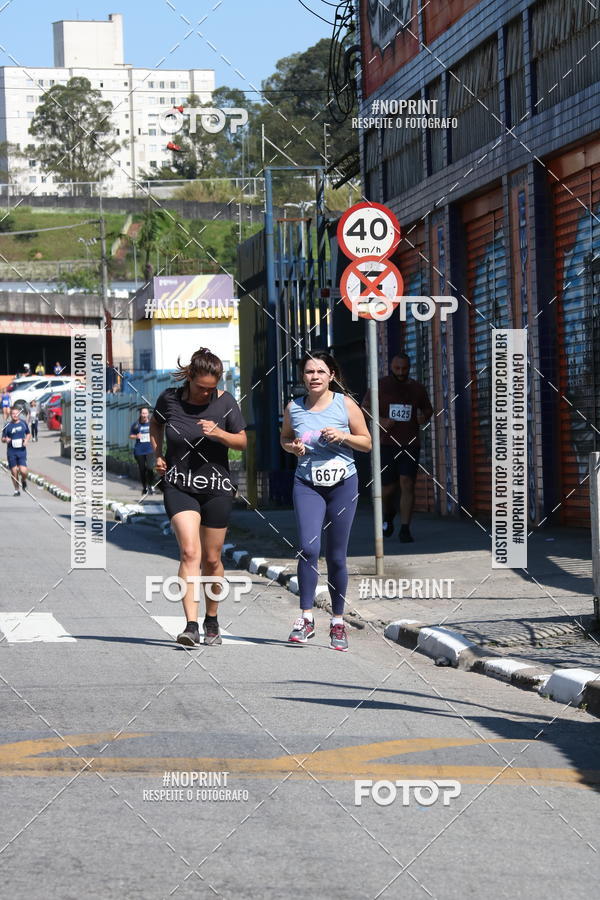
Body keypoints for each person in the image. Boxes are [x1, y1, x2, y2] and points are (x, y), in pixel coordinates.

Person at [150, 348, 247, 647]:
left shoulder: (226, 402)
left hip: (216, 488)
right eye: (201, 387)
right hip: (179, 486)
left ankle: (212, 618)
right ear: (189, 377)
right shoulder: (169, 399)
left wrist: (219, 434)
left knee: (212, 558)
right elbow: (156, 424)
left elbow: (242, 442)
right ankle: (191, 625)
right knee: (190, 552)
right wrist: (157, 454)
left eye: (212, 387)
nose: (207, 393)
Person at [280, 351, 371, 652]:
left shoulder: (345, 405)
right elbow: (285, 439)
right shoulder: (293, 408)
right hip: (307, 484)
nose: (314, 376)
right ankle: (306, 618)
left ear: (332, 375)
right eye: (309, 372)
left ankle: (337, 621)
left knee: (336, 555)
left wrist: (342, 438)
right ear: (303, 377)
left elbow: (367, 442)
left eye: (320, 371)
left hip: (343, 484)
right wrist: (293, 448)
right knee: (308, 547)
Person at [362, 353, 433, 543]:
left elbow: (428, 409)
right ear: (391, 368)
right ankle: (388, 514)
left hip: (410, 444)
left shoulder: (417, 388)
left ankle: (405, 528)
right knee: (388, 488)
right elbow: (365, 408)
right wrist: (381, 420)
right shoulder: (380, 386)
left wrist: (423, 417)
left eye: (404, 368)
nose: (401, 372)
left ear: (409, 367)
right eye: (397, 368)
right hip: (387, 444)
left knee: (407, 482)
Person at [2, 405, 31, 495]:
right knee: (14, 471)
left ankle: (23, 480)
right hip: (11, 451)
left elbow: (28, 434)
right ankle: (16, 489)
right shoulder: (7, 425)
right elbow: (2, 438)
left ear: (19, 414)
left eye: (16, 413)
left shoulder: (23, 423)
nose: (15, 415)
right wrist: (5, 440)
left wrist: (26, 440)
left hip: (21, 450)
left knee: (23, 471)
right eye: (13, 414)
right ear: (10, 415)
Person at [129, 407, 156, 494]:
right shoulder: (136, 424)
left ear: (148, 414)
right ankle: (144, 487)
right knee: (142, 469)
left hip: (150, 449)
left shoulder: (151, 424)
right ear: (140, 414)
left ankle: (150, 486)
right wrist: (136, 436)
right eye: (143, 413)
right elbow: (130, 435)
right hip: (139, 450)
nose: (144, 415)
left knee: (150, 468)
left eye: (146, 413)